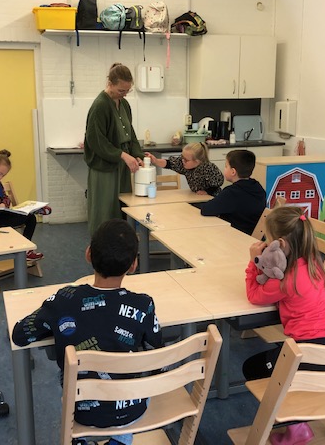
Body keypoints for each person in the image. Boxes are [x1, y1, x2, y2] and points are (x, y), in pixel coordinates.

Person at [12, 219, 162, 445]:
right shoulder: (144, 305)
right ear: (133, 265)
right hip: (132, 408)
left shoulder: (63, 300)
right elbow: (156, 355)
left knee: (70, 376)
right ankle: (120, 439)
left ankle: (79, 439)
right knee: (134, 370)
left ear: (88, 254)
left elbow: (20, 335)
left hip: (81, 410)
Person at [243, 206, 325, 444]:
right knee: (313, 370)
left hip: (308, 356)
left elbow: (254, 295)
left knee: (253, 368)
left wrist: (254, 262)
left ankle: (297, 428)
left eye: (268, 241)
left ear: (280, 245)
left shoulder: (286, 280)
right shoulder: (315, 264)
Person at [84, 63, 144, 235]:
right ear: (110, 84)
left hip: (121, 165)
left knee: (123, 206)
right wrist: (122, 155)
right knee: (105, 209)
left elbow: (130, 133)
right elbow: (96, 140)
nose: (124, 94)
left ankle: (122, 241)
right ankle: (100, 243)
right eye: (121, 90)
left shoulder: (124, 104)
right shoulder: (100, 105)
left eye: (127, 91)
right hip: (105, 166)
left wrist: (137, 154)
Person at [199, 150, 266, 234]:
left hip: (235, 234)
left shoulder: (231, 193)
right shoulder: (258, 187)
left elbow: (206, 210)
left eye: (226, 166)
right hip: (251, 233)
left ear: (233, 172)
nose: (224, 168)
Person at [144, 142, 224, 196]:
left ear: (197, 161)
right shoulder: (184, 164)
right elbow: (169, 163)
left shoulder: (208, 168)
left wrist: (207, 191)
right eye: (182, 157)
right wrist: (156, 161)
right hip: (195, 196)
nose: (182, 161)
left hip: (211, 198)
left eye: (186, 160)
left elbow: (219, 182)